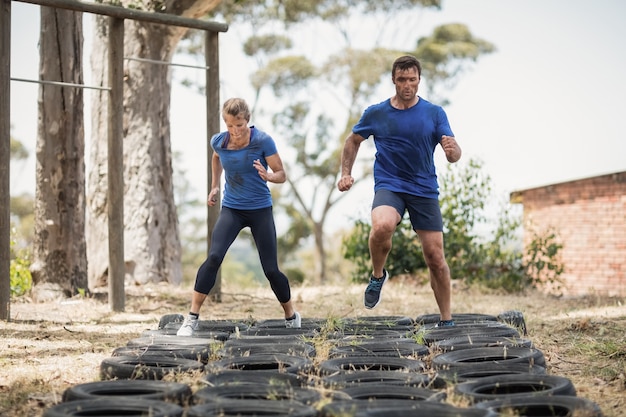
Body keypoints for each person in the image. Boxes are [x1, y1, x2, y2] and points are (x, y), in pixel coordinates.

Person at [337, 55, 462, 327]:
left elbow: (453, 152)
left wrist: (454, 153)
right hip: (390, 184)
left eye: (412, 79)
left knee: (436, 258)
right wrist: (345, 173)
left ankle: (446, 320)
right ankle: (378, 276)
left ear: (419, 80)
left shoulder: (434, 113)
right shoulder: (377, 113)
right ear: (393, 80)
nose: (407, 85)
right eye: (402, 79)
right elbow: (352, 140)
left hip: (424, 189)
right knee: (381, 226)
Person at [177, 98, 301, 336]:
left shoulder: (263, 141)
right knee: (213, 257)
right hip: (232, 209)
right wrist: (215, 186)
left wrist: (268, 176)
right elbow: (216, 157)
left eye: (240, 125)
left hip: (260, 210)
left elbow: (282, 174)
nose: (235, 131)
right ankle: (191, 318)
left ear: (248, 121)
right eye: (230, 125)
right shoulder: (219, 141)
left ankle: (290, 314)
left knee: (271, 270)